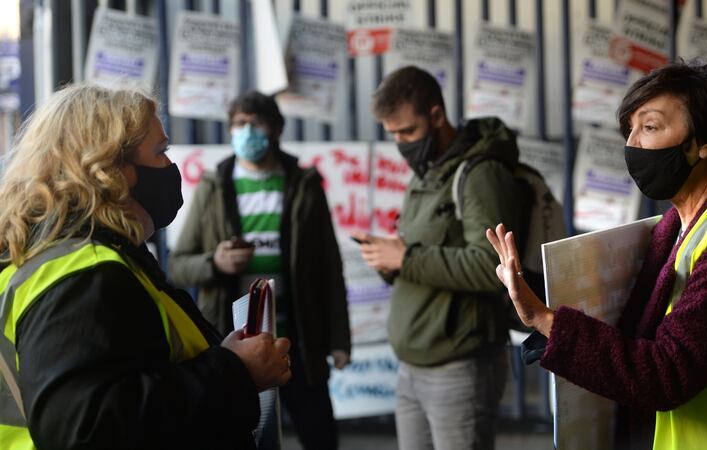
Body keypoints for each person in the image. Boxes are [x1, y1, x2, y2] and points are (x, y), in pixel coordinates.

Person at [487, 61, 707, 450]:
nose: (632, 145)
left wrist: (545, 319)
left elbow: (666, 373)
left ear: (706, 141)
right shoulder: (679, 223)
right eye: (629, 130)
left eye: (649, 127)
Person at [0, 84, 292, 450]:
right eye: (160, 152)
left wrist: (226, 358)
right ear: (110, 171)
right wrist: (235, 373)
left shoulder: (62, 258)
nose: (170, 167)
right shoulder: (84, 275)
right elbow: (86, 430)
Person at [169, 90, 350, 450]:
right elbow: (178, 265)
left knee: (319, 435)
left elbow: (329, 267)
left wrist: (339, 341)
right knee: (247, 437)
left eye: (256, 123)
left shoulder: (304, 184)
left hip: (297, 342)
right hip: (235, 348)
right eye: (239, 124)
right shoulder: (214, 186)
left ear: (276, 129)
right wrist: (215, 263)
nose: (247, 132)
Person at [353, 66, 520, 450]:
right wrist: (389, 262)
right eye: (393, 135)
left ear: (436, 115)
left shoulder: (480, 174)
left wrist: (406, 258)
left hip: (459, 370)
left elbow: (490, 267)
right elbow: (422, 253)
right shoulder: (427, 172)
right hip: (412, 368)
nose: (401, 143)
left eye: (407, 132)